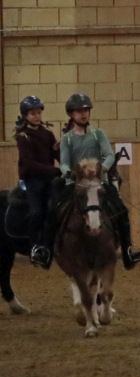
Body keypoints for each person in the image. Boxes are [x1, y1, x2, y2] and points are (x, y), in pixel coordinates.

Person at [36, 93, 140, 270]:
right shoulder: (67, 138)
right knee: (53, 210)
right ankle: (46, 250)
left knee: (121, 210)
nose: (83, 114)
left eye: (86, 110)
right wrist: (68, 172)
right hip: (76, 184)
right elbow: (64, 162)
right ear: (71, 114)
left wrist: (103, 168)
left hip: (98, 182)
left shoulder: (98, 134)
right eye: (79, 111)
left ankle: (128, 251)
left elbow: (109, 155)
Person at [14, 97, 61, 268]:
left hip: (49, 179)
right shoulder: (23, 136)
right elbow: (29, 164)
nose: (36, 116)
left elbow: (57, 154)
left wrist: (65, 159)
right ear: (25, 116)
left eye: (38, 113)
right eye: (32, 114)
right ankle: (34, 246)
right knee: (36, 212)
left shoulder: (47, 134)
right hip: (32, 180)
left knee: (56, 208)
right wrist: (54, 170)